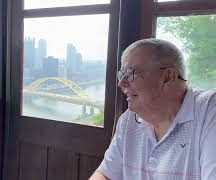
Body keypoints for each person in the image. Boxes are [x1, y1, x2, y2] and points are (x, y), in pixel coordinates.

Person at [89, 38, 216, 180]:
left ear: (168, 77)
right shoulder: (128, 120)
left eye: (130, 73)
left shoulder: (209, 111)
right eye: (121, 74)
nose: (121, 83)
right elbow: (105, 175)